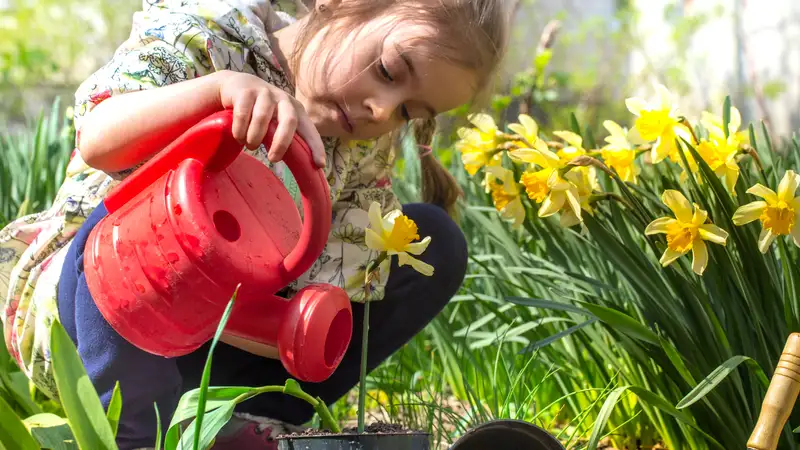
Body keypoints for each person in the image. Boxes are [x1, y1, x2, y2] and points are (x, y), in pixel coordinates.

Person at [0, 0, 508, 448]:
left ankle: (254, 419)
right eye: (390, 71)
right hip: (94, 289)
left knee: (432, 244)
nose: (381, 109)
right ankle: (142, 435)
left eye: (408, 113)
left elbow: (318, 287)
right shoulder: (213, 35)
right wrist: (217, 91)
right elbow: (98, 135)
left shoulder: (359, 148)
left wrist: (302, 329)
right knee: (144, 256)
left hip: (220, 320)